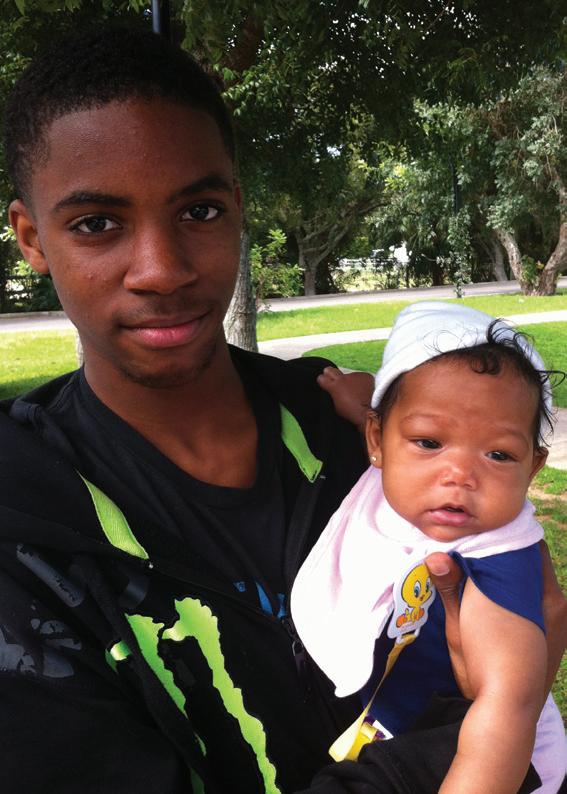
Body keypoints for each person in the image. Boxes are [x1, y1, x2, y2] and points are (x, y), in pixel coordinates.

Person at [0, 24, 564, 794]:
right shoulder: (24, 530)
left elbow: (509, 604)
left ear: (236, 208)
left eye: (198, 211)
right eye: (97, 224)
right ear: (31, 238)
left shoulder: (359, 435)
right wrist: (480, 725)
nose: (161, 269)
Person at [292, 302, 567, 793]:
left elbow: (507, 707)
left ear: (533, 467)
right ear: (377, 440)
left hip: (484, 764)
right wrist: (353, 398)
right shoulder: (393, 465)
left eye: (498, 454)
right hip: (407, 733)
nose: (459, 473)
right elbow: (381, 415)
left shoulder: (498, 557)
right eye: (429, 443)